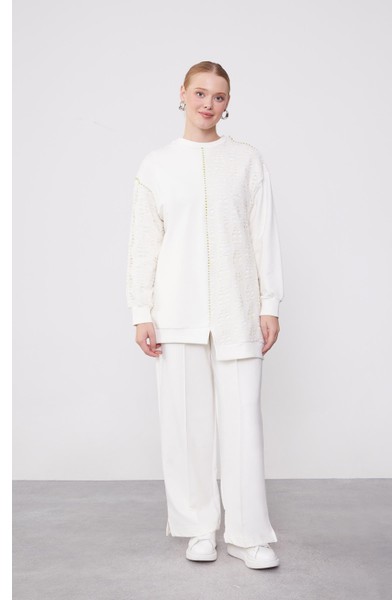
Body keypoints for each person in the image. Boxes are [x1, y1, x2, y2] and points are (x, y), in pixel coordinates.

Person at [126, 61, 284, 569]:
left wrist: (269, 303)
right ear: (182, 93)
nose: (208, 104)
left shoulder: (246, 161)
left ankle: (247, 534)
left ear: (227, 103)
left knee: (243, 425)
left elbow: (263, 235)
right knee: (187, 426)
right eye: (200, 93)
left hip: (238, 310)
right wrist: (141, 311)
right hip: (176, 312)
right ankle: (198, 527)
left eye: (218, 97)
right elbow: (144, 244)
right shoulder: (156, 165)